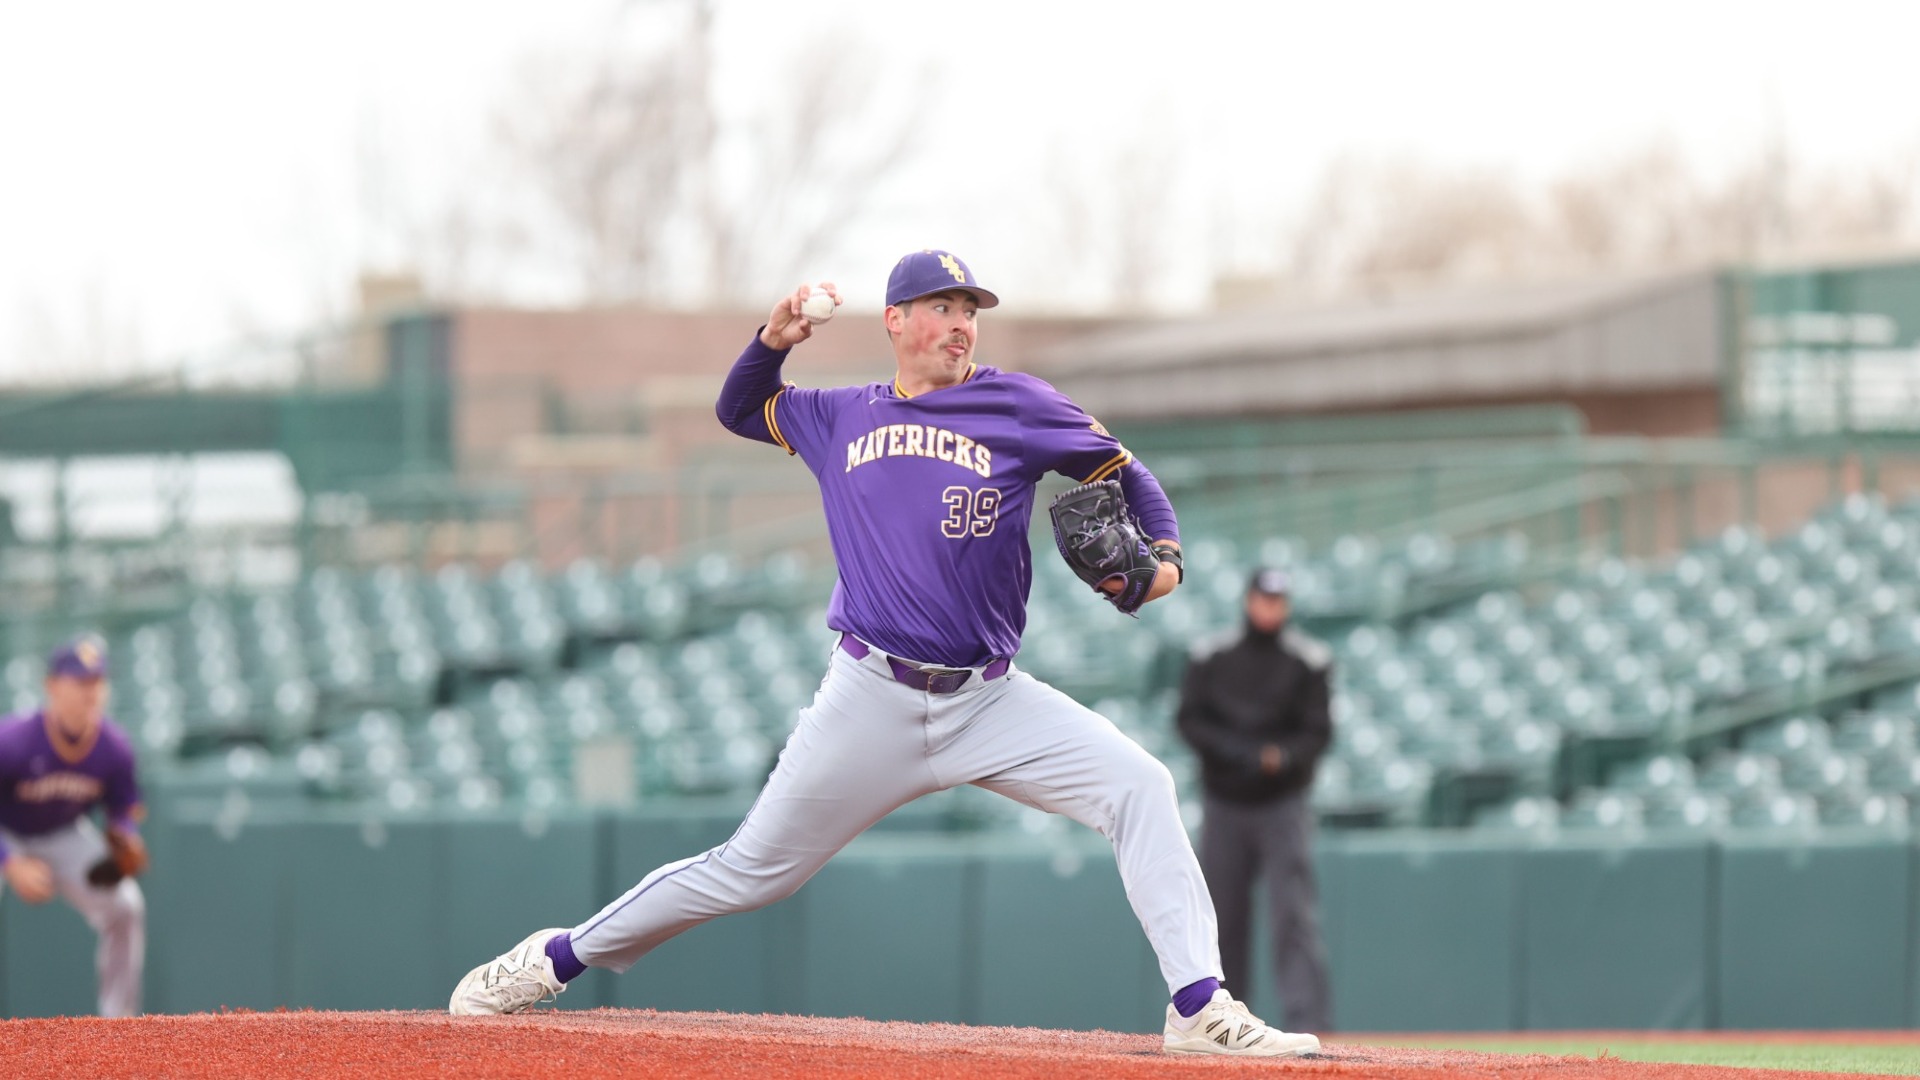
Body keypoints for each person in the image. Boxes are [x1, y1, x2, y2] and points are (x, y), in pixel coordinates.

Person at [449, 249, 1318, 1057]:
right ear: (895, 320)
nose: (960, 324)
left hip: (988, 698)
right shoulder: (839, 415)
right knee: (749, 872)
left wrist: (1164, 560)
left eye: (969, 310)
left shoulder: (1017, 404)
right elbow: (737, 409)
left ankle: (1198, 1006)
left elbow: (1125, 471)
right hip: (871, 694)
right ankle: (555, 958)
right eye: (941, 306)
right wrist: (771, 342)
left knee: (1141, 785)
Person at [1175, 568, 1334, 1035]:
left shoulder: (1307, 661)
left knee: (1293, 918)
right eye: (1264, 598)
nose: (1270, 607)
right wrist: (1241, 754)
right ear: (1248, 600)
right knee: (1221, 921)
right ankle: (1224, 1026)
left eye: (1278, 599)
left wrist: (1279, 757)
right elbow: (1189, 722)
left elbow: (1317, 732)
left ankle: (1310, 1025)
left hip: (1282, 805)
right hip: (1224, 803)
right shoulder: (1212, 656)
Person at [0, 634, 149, 1018]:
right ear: (51, 685)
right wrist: (9, 862)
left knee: (126, 905)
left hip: (63, 834)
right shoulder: (12, 740)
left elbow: (122, 807)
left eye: (98, 681)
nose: (91, 691)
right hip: (6, 831)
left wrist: (124, 835)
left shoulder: (114, 748)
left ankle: (120, 1025)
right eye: (81, 681)